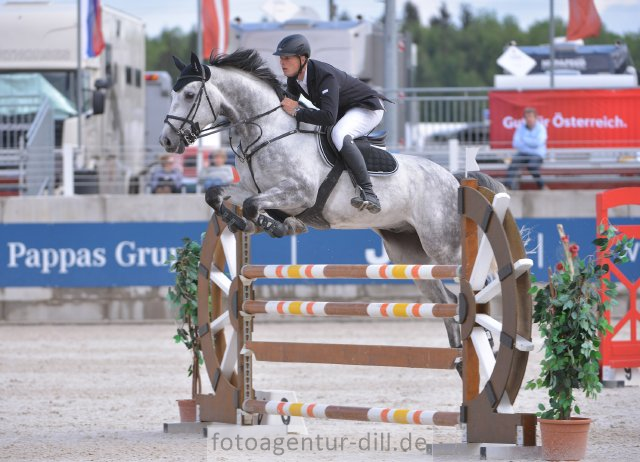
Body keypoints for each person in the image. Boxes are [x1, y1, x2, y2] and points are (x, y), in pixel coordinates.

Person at [274, 34, 387, 214]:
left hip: (367, 108)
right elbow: (287, 106)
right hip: (346, 110)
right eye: (281, 58)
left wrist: (297, 111)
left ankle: (369, 192)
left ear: (302, 59)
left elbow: (327, 117)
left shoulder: (324, 76)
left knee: (339, 134)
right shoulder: (294, 78)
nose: (282, 62)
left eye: (287, 58)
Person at [505, 107, 548, 190]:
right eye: (527, 117)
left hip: (537, 154)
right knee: (513, 163)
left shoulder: (541, 128)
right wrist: (531, 142)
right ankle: (507, 187)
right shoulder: (520, 128)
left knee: (532, 166)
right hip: (523, 153)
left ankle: (542, 186)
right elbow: (516, 143)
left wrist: (524, 140)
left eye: (531, 116)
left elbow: (538, 143)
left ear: (535, 117)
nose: (529, 119)